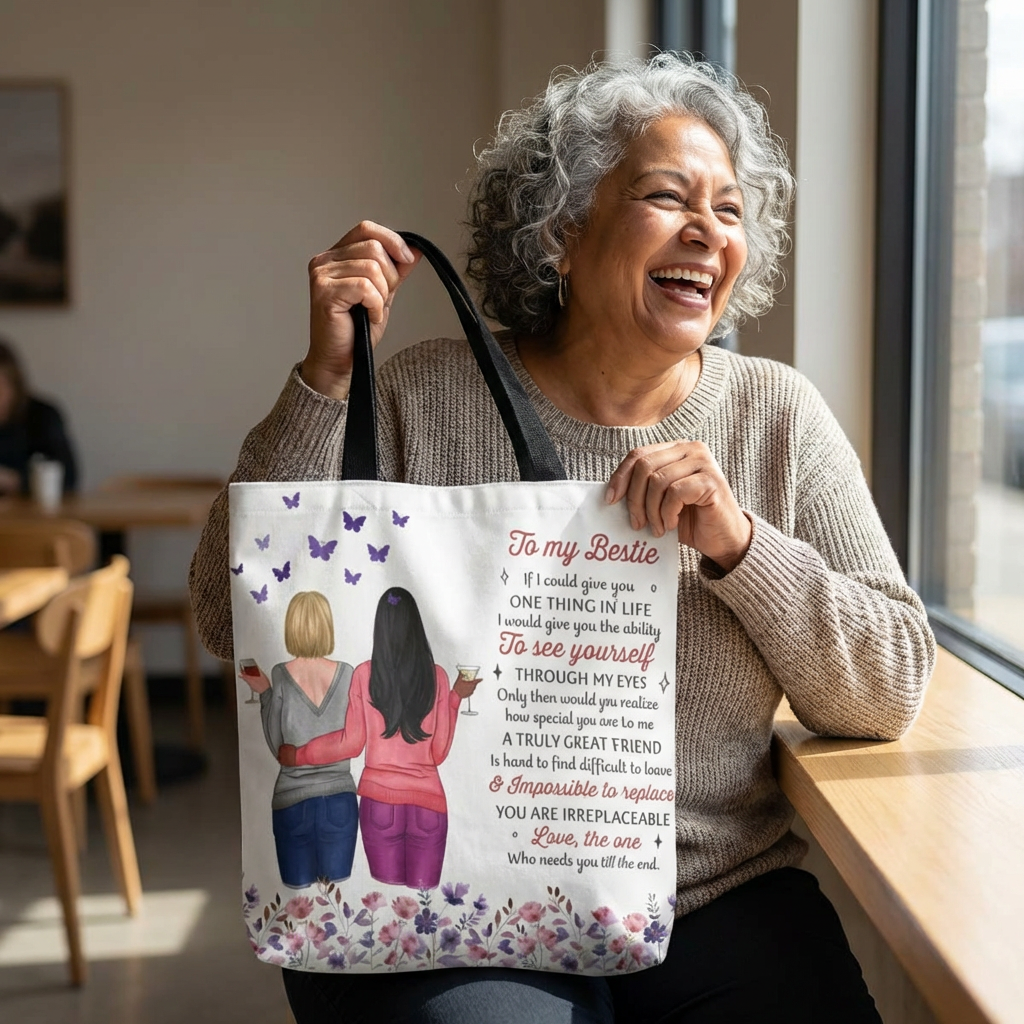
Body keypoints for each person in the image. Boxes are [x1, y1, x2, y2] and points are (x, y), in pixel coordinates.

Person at [190, 54, 934, 1024]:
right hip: (447, 900)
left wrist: (740, 545)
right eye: (668, 196)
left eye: (731, 210)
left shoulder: (774, 416)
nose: (709, 230)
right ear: (560, 232)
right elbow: (222, 612)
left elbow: (889, 684)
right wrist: (323, 385)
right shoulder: (418, 393)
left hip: (708, 898)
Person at [278, 586, 481, 890]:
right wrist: (453, 699)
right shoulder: (436, 676)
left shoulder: (363, 674)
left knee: (386, 903)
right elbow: (438, 754)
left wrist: (301, 754)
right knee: (420, 903)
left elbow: (351, 743)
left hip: (378, 807)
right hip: (429, 806)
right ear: (416, 626)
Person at [240, 591, 358, 888]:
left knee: (298, 902)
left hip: (291, 801)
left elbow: (277, 748)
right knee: (336, 897)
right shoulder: (348, 675)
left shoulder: (280, 675)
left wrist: (266, 693)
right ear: (327, 627)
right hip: (341, 800)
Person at [0, 338, 78, 496]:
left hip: (34, 516)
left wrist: (12, 480)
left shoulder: (42, 415)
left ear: (14, 384)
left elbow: (68, 478)